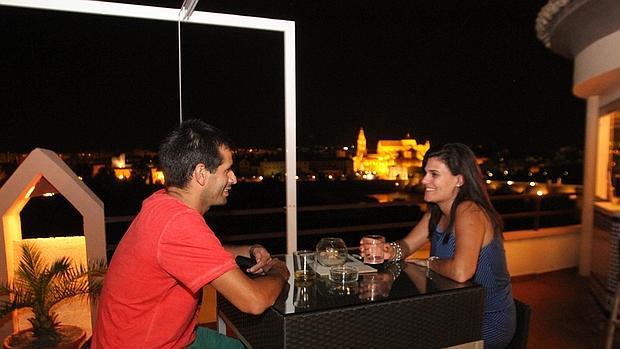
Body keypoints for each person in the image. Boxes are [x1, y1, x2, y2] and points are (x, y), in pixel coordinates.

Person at [92, 120, 290, 349]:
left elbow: (194, 252)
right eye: (227, 170)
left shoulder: (162, 202)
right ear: (201, 173)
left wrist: (247, 250)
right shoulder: (179, 223)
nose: (234, 179)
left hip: (175, 338)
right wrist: (279, 271)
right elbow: (254, 301)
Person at [362, 143, 516, 349]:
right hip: (453, 309)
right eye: (425, 173)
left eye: (434, 174)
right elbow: (407, 245)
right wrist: (388, 250)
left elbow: (461, 272)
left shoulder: (470, 211)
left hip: (484, 319)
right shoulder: (436, 211)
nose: (425, 180)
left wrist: (429, 263)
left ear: (459, 180)